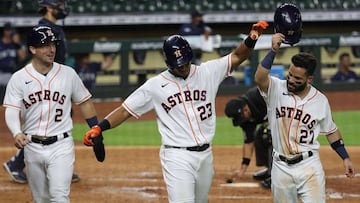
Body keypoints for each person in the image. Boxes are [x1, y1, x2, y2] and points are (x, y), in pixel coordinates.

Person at [83, 21, 269, 203]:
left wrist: (252, 38)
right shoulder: (155, 85)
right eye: (178, 64)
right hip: (177, 156)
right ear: (168, 62)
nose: (183, 66)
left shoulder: (208, 72)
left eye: (185, 62)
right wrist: (99, 128)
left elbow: (237, 56)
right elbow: (125, 111)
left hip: (205, 155)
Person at [3, 25, 100, 202]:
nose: (52, 49)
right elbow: (11, 109)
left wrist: (96, 128)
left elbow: (84, 102)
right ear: (32, 49)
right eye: (45, 45)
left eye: (53, 44)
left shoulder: (68, 74)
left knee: (59, 196)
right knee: (41, 200)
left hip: (61, 145)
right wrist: (16, 132)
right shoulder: (19, 78)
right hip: (31, 146)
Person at [254, 32, 355, 202]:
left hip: (309, 167)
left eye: (297, 78)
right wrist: (273, 50)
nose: (291, 80)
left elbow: (331, 131)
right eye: (290, 75)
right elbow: (259, 78)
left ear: (309, 79)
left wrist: (345, 157)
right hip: (280, 168)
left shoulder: (320, 100)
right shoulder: (276, 89)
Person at [2, 0, 82, 184]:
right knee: (43, 127)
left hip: (58, 81)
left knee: (59, 123)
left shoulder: (54, 27)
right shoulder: (43, 28)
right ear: (48, 7)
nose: (62, 8)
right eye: (58, 5)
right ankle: (16, 164)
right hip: (45, 83)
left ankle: (60, 166)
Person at [224, 86, 272, 189]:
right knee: (260, 134)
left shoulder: (259, 96)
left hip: (290, 116)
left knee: (268, 134)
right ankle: (270, 170)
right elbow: (248, 143)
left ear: (245, 109)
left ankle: (277, 174)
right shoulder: (246, 120)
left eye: (240, 117)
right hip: (274, 122)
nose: (241, 120)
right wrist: (242, 170)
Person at [0, 22, 27, 105]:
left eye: (12, 31)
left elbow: (23, 57)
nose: (11, 33)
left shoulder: (17, 44)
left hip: (13, 74)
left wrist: (17, 44)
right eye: (8, 30)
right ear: (4, 31)